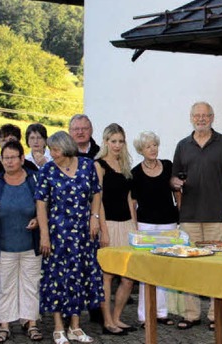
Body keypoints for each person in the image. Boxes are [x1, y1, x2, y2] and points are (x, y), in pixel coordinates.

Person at [170, 102, 222, 331]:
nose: (201, 119)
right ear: (191, 118)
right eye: (197, 115)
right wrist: (175, 183)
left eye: (205, 115)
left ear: (212, 117)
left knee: (217, 266)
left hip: (217, 216)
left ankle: (215, 314)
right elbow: (172, 179)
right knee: (190, 267)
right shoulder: (182, 145)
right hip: (189, 217)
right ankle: (191, 314)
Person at [35, 131, 104, 344]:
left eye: (54, 149)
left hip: (83, 234)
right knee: (57, 279)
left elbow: (96, 193)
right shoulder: (47, 170)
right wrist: (44, 235)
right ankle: (58, 327)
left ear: (65, 148)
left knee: (80, 277)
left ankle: (75, 326)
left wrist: (95, 217)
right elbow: (41, 203)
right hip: (58, 234)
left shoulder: (86, 165)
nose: (51, 153)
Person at [0, 141, 42, 343]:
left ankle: (31, 324)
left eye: (14, 157)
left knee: (31, 285)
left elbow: (46, 207)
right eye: (6, 158)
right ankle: (4, 325)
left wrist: (39, 220)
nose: (10, 161)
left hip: (30, 246)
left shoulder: (34, 180)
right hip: (3, 246)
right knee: (4, 287)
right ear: (1, 160)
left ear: (23, 159)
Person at [131, 131, 179, 327]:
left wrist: (180, 213)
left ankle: (162, 312)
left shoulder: (168, 166)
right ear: (141, 150)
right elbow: (132, 202)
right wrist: (135, 228)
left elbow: (177, 191)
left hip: (168, 223)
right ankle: (145, 315)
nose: (153, 149)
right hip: (146, 225)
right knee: (147, 270)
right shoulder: (135, 172)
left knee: (164, 269)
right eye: (148, 146)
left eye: (155, 145)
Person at [95, 123, 136, 335]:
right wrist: (103, 229)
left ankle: (118, 317)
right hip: (108, 224)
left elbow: (130, 199)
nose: (117, 145)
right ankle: (107, 321)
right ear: (106, 142)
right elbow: (98, 200)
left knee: (128, 278)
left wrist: (135, 227)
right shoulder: (99, 165)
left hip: (127, 225)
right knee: (108, 276)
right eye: (113, 141)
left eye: (121, 141)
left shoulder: (126, 165)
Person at [68, 114, 102, 324]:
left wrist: (96, 216)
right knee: (72, 265)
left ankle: (96, 307)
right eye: (76, 129)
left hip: (95, 216)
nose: (80, 132)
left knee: (94, 265)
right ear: (70, 131)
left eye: (84, 128)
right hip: (69, 220)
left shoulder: (100, 154)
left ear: (91, 130)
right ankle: (70, 309)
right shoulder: (62, 154)